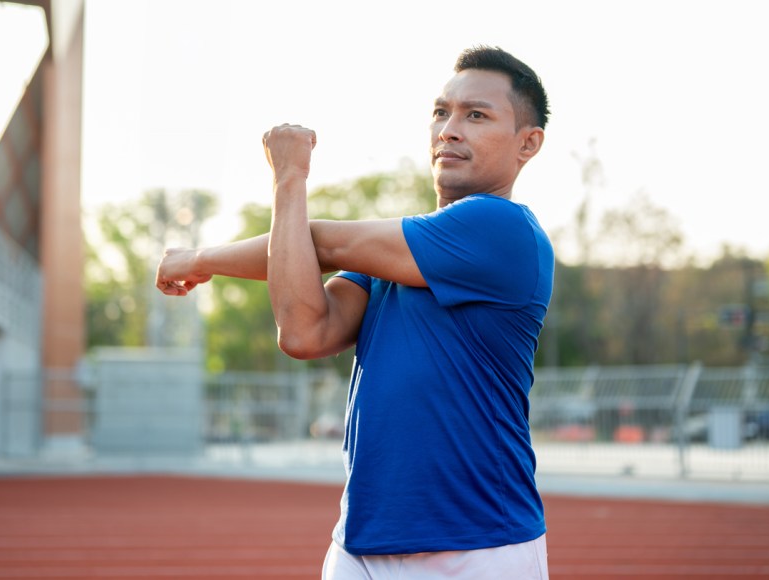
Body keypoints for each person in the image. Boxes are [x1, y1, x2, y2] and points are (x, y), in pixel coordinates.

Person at [156, 45, 554, 579]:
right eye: (441, 112)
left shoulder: (501, 229)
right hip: (359, 545)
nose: (449, 129)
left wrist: (280, 186)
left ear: (527, 143)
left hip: (476, 547)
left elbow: (323, 243)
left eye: (475, 115)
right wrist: (266, 215)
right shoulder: (393, 256)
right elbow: (303, 330)